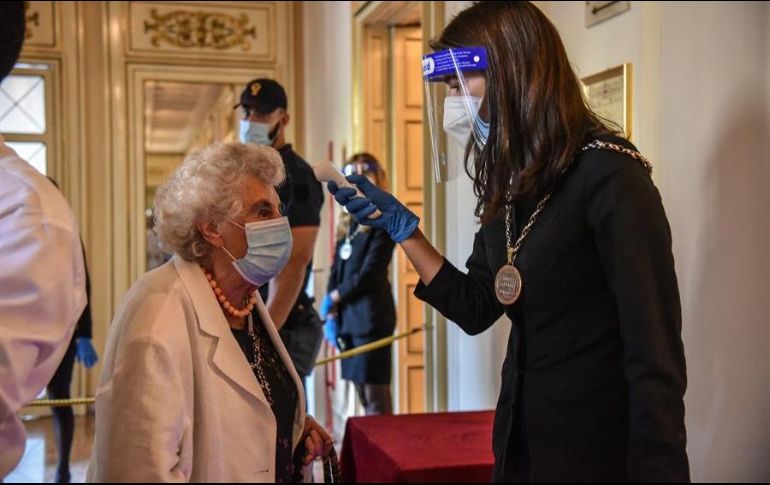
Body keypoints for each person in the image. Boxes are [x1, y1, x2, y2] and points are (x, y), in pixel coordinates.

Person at [327, 2, 688, 482]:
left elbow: (654, 357)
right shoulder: (519, 181)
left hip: (597, 450)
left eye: (460, 85)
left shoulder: (611, 177)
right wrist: (405, 232)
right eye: (449, 88)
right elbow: (478, 305)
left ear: (512, 72)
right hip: (522, 441)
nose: (454, 101)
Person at [87, 142, 331, 482]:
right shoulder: (158, 314)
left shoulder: (246, 297)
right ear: (212, 228)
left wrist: (290, 429)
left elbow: (249, 409)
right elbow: (136, 470)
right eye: (263, 212)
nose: (281, 224)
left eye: (279, 210)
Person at [0, 3, 86, 479]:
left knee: (62, 404)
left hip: (68, 340)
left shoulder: (29, 216)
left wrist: (88, 333)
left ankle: (62, 471)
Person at [235, 78, 325, 382]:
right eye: (246, 112)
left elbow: (296, 259)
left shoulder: (296, 176)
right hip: (254, 316)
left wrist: (265, 335)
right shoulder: (252, 173)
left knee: (280, 425)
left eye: (261, 114)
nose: (250, 121)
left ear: (282, 119)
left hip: (283, 325)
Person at [321, 154, 396, 415]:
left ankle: (384, 452)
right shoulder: (350, 223)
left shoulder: (383, 222)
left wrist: (336, 295)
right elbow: (336, 267)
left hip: (371, 320)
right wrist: (330, 306)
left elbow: (370, 274)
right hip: (347, 323)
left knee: (376, 398)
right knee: (362, 394)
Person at [44, 178, 99, 484]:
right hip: (22, 328)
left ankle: (63, 468)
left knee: (59, 398)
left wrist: (84, 334)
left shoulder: (66, 233)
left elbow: (83, 284)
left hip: (62, 331)